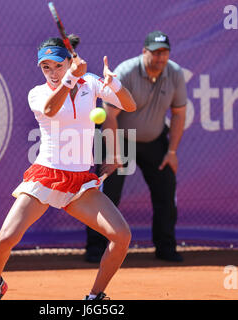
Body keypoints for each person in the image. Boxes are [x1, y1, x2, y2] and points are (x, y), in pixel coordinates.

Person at [0, 34, 136, 300]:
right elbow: (51, 110)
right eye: (46, 67)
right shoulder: (37, 93)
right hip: (46, 176)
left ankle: (95, 296)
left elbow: (130, 105)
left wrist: (116, 85)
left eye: (57, 65)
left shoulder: (91, 83)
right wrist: (69, 78)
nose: (52, 72)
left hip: (80, 183)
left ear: (69, 61)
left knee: (122, 236)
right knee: (4, 240)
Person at [85, 30, 187, 263]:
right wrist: (112, 152)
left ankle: (165, 248)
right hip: (119, 137)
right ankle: (95, 249)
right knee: (106, 196)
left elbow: (179, 114)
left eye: (165, 52)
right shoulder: (126, 72)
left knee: (166, 192)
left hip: (155, 140)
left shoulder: (175, 73)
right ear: (144, 52)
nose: (161, 57)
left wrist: (172, 152)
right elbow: (109, 116)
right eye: (156, 52)